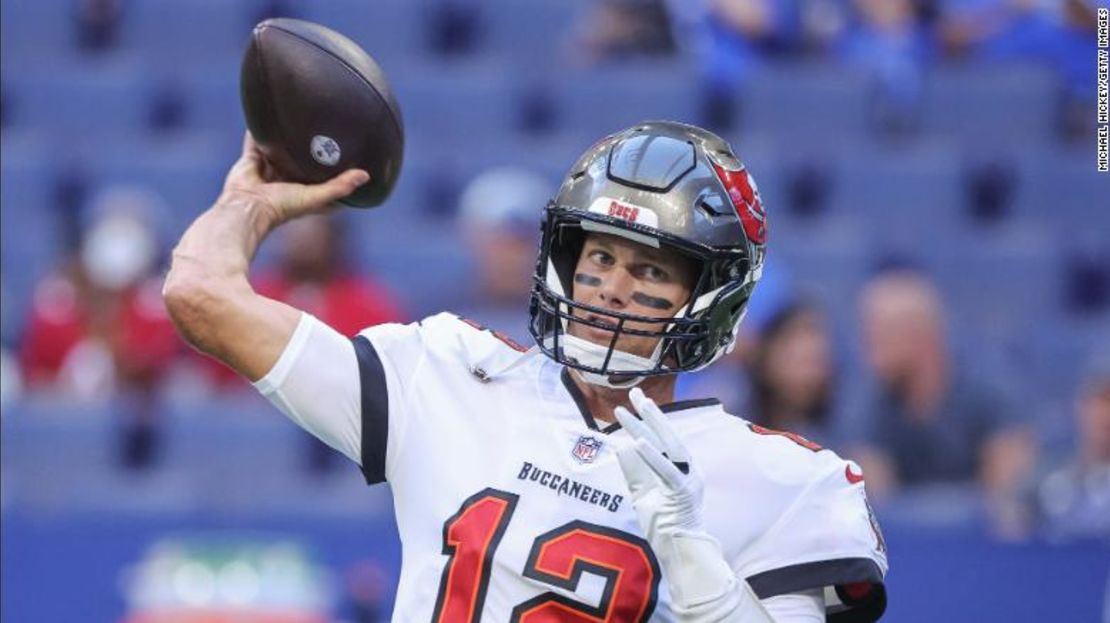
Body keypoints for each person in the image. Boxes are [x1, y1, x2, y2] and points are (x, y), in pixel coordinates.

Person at [165, 122, 888, 621]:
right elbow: (200, 296)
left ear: (712, 298)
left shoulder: (786, 484)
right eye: (597, 256)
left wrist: (695, 560)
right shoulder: (450, 374)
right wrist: (247, 205)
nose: (611, 285)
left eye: (651, 269)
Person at [847, 269, 1034, 517]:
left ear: (922, 335)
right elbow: (873, 511)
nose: (867, 345)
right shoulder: (870, 410)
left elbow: (1009, 503)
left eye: (879, 332)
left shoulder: (990, 399)